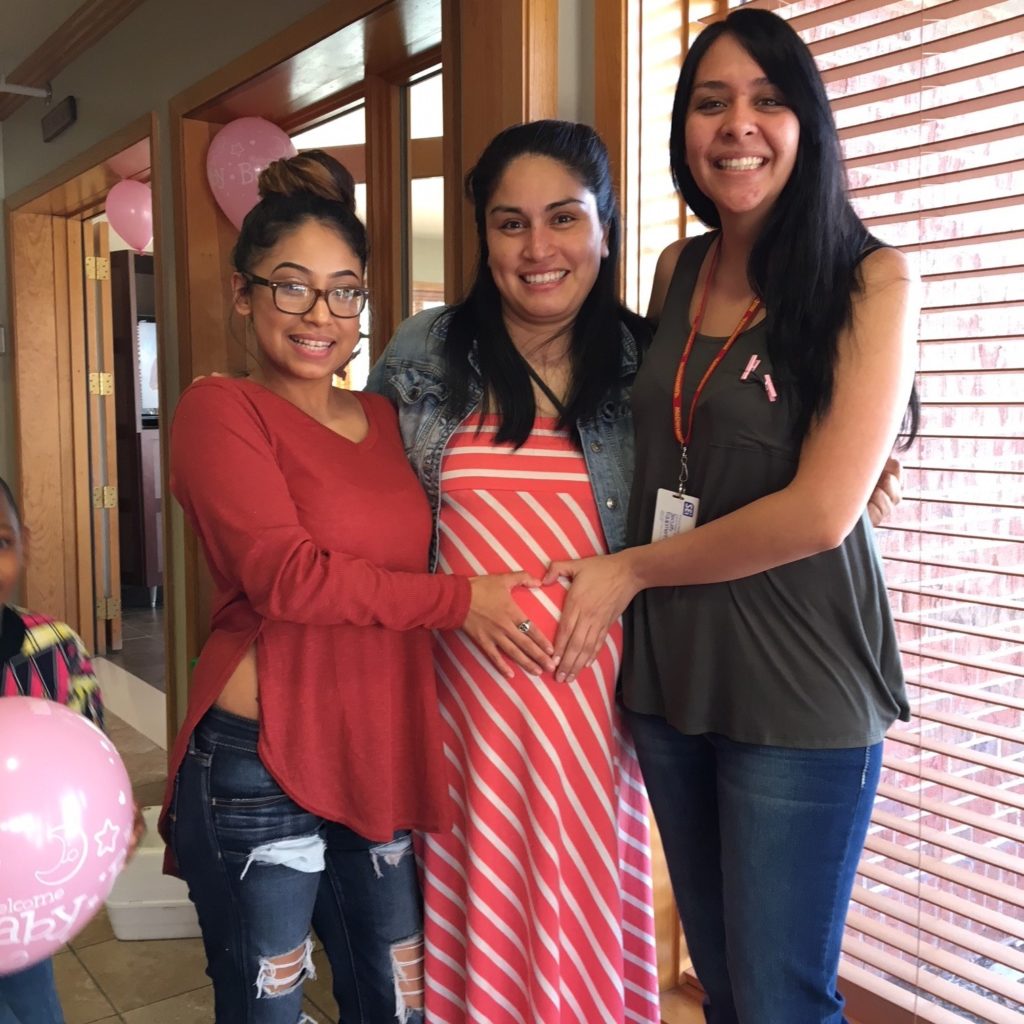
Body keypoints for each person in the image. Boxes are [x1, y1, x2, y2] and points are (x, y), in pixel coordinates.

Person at [544, 10, 919, 1023]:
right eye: (711, 102)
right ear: (684, 130)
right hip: (676, 675)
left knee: (779, 997)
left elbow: (820, 512)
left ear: (806, 123)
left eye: (765, 100)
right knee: (717, 983)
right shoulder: (676, 268)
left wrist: (625, 573)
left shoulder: (871, 280)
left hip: (797, 686)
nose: (736, 125)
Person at [158, 150, 554, 1024]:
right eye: (291, 287)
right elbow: (289, 579)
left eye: (345, 291)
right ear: (242, 293)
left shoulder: (382, 415)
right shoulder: (219, 411)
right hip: (261, 765)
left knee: (397, 1003)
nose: (319, 315)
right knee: (271, 1010)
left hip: (375, 749)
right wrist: (464, 604)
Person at [367, 120, 663, 1024]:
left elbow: (791, 430)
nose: (539, 249)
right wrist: (453, 603)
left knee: (580, 930)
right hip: (461, 712)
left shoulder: (648, 361)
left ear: (605, 229)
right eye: (509, 223)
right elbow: (361, 504)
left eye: (564, 219)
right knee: (472, 930)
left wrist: (872, 468)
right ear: (482, 237)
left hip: (591, 714)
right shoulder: (426, 352)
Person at [0, 475, 104, 1024]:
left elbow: (92, 759)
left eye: (0, 543)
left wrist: (110, 822)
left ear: (24, 543)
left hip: (18, 914)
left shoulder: (57, 648)